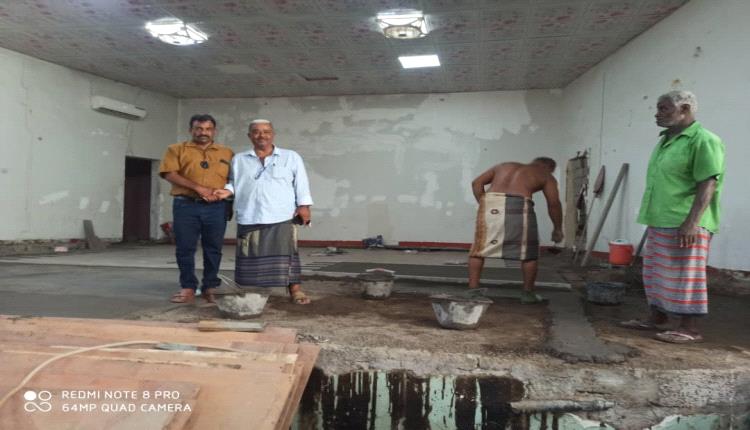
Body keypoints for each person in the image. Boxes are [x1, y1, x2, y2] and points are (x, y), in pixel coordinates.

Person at [621, 91, 725, 344]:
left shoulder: (703, 139)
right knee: (655, 273)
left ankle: (689, 328)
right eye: (658, 108)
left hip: (685, 220)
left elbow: (708, 183)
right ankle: (657, 318)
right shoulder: (666, 140)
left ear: (685, 109)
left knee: (686, 275)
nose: (657, 114)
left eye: (664, 108)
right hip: (660, 218)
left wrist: (692, 222)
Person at [214, 119, 313, 304]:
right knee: (248, 255)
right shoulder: (239, 159)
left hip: (281, 214)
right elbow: (234, 182)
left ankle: (295, 290)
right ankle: (249, 292)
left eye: (266, 131)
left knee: (288, 255)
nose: (262, 135)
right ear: (249, 136)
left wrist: (304, 206)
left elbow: (301, 183)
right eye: (257, 132)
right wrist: (227, 191)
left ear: (273, 134)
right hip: (250, 214)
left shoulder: (290, 157)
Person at [159, 114, 233, 304]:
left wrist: (224, 196)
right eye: (198, 129)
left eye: (208, 129)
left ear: (214, 131)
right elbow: (169, 174)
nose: (203, 133)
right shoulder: (176, 149)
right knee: (185, 247)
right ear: (191, 130)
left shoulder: (227, 153)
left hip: (216, 207)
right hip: (186, 205)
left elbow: (234, 180)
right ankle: (188, 287)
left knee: (213, 248)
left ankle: (210, 286)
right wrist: (198, 188)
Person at [467, 157, 563, 304]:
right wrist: (557, 228)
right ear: (550, 168)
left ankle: (473, 292)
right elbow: (554, 204)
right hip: (519, 205)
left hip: (491, 203)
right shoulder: (546, 175)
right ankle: (527, 294)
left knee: (479, 249)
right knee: (529, 253)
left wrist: (483, 203)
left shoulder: (503, 165)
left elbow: (476, 183)